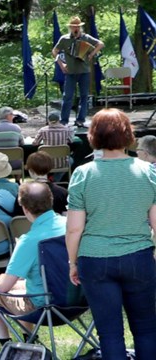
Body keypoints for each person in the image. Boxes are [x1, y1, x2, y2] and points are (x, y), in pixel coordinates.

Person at [67, 108, 156, 359]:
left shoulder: (83, 174)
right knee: (147, 329)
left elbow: (74, 228)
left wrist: (72, 262)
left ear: (94, 136)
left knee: (110, 334)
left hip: (94, 260)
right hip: (139, 257)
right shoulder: (148, 172)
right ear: (129, 135)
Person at [0, 182, 66, 346]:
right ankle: (29, 340)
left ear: (25, 209)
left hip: (45, 305)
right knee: (22, 285)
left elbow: (4, 287)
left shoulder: (29, 241)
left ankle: (7, 344)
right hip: (78, 299)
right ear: (51, 200)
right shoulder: (70, 226)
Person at [53, 16, 104, 128]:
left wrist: (91, 54)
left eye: (77, 27)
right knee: (67, 96)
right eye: (73, 27)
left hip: (84, 71)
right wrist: (62, 64)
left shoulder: (86, 37)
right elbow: (55, 51)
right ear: (70, 27)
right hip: (70, 72)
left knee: (84, 96)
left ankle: (81, 119)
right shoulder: (64, 39)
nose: (75, 29)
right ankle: (64, 121)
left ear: (80, 27)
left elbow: (100, 44)